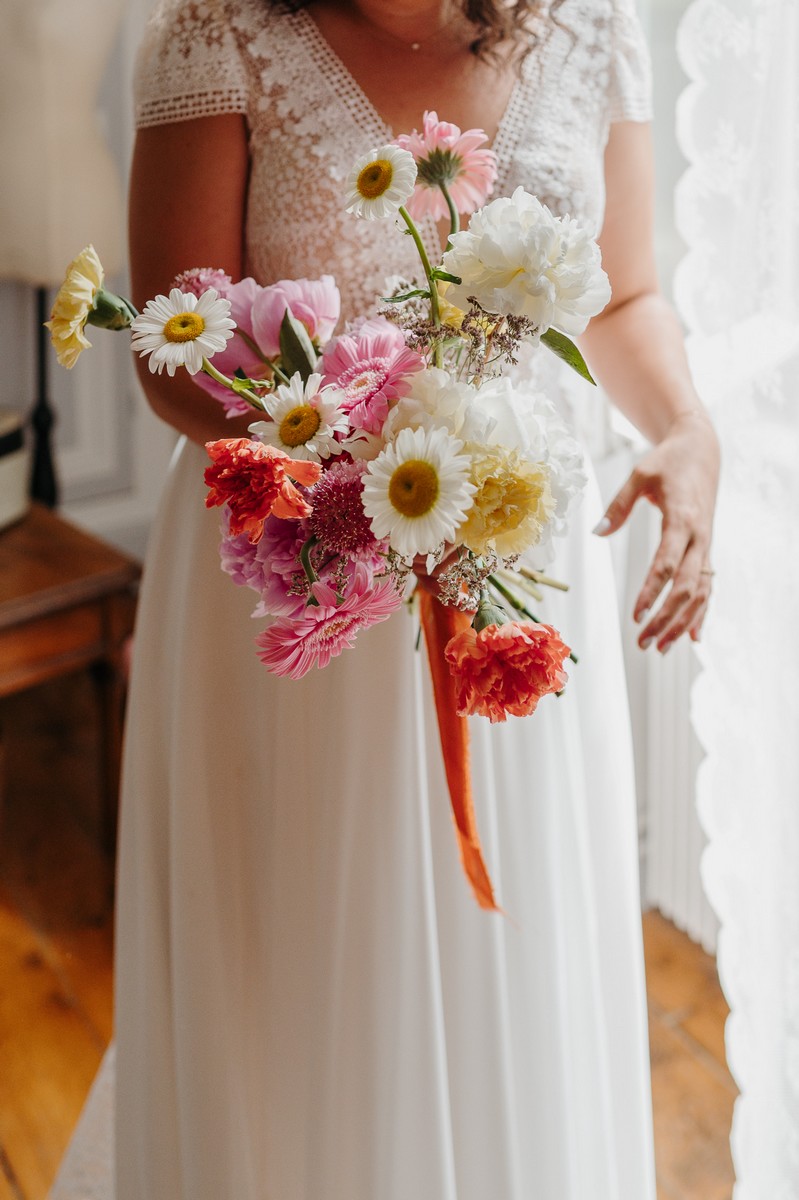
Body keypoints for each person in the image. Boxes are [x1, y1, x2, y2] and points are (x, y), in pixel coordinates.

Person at [59, 1, 720, 1198]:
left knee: (511, 964)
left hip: (518, 575)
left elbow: (622, 299)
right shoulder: (220, 29)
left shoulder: (591, 22)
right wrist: (361, 453)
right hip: (298, 578)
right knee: (306, 984)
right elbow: (177, 341)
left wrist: (684, 429)